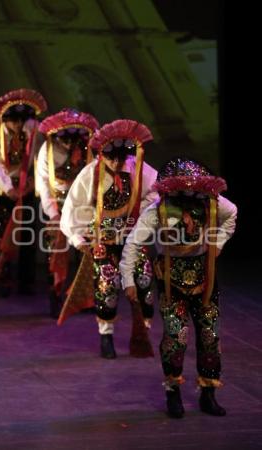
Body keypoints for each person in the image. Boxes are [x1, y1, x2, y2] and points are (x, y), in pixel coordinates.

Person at [119, 157, 237, 417]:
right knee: (176, 338)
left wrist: (218, 242)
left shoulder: (212, 203)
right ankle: (173, 392)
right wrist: (128, 279)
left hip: (205, 280)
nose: (190, 195)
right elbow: (133, 243)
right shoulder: (157, 210)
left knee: (210, 336)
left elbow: (232, 215)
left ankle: (208, 393)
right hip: (172, 284)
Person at [60, 119, 158, 358]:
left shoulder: (138, 168)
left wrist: (141, 212)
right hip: (103, 240)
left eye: (121, 157)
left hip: (132, 239)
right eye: (110, 157)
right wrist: (79, 238)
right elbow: (73, 209)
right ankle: (106, 335)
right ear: (100, 154)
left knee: (144, 279)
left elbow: (156, 193)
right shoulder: (90, 174)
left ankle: (142, 331)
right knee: (108, 284)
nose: (116, 162)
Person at [0, 88, 47, 296]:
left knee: (27, 233)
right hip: (1, 190)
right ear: (5, 120)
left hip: (25, 186)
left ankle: (26, 281)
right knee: (4, 234)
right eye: (14, 121)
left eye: (23, 120)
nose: (19, 125)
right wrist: (10, 188)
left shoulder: (32, 133)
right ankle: (3, 278)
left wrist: (32, 184)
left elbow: (40, 161)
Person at [37, 108, 99, 317]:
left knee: (88, 248)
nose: (69, 143)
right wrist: (53, 213)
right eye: (64, 138)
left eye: (73, 138)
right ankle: (56, 296)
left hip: (82, 203)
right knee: (56, 251)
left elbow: (93, 178)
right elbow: (44, 184)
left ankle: (86, 299)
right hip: (57, 201)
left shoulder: (87, 148)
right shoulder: (47, 149)